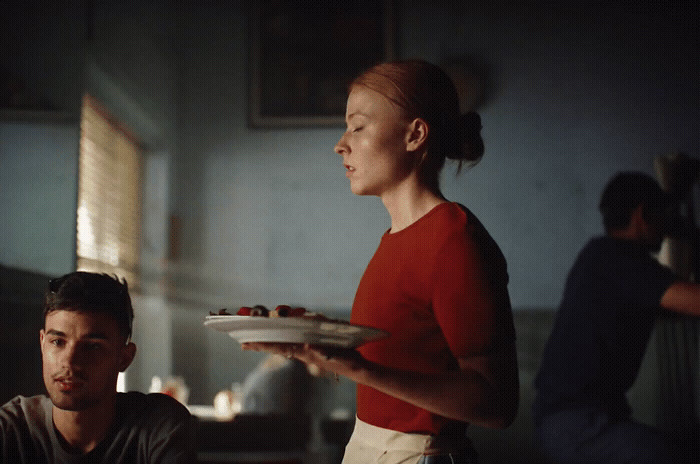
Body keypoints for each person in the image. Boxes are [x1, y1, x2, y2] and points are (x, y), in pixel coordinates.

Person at [243, 59, 519, 464]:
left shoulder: (454, 239)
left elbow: (496, 404)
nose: (341, 143)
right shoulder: (393, 239)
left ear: (415, 135)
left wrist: (360, 369)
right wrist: (319, 343)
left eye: (358, 126)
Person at [533, 171, 700, 464]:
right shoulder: (622, 261)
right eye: (661, 215)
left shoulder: (599, 256)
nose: (666, 226)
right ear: (641, 215)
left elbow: (671, 304)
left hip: (568, 421)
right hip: (578, 426)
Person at [0, 271, 195, 463]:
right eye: (58, 342)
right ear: (43, 344)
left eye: (92, 346)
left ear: (124, 357)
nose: (69, 361)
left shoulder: (158, 426)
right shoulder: (12, 428)